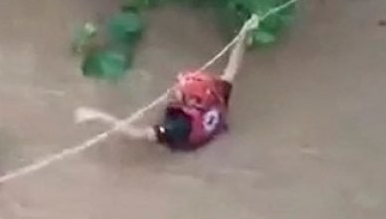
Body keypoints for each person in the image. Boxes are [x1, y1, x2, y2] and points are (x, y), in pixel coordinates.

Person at [74, 15, 260, 151]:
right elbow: (232, 68)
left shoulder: (179, 126)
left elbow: (136, 134)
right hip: (216, 131)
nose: (176, 87)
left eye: (181, 90)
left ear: (192, 102)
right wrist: (244, 34)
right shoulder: (218, 93)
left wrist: (97, 116)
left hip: (187, 142)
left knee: (140, 145)